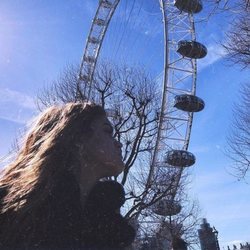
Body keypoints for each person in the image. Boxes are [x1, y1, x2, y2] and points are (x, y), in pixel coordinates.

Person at [0, 102, 135, 249]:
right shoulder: (13, 210)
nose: (119, 144)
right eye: (107, 131)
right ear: (78, 139)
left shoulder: (109, 231)